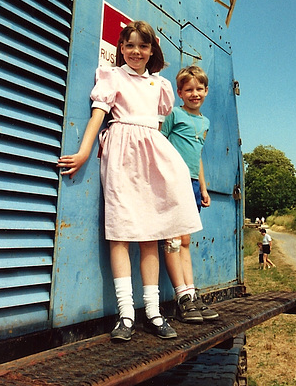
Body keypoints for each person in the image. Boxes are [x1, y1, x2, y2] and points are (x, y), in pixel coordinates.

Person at [57, 21, 202, 342]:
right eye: (130, 45)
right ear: (121, 48)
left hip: (153, 157)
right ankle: (125, 315)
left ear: (152, 51)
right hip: (121, 155)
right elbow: (99, 114)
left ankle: (152, 312)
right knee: (120, 233)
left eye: (143, 46)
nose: (136, 52)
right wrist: (83, 153)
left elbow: (161, 127)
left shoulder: (161, 86)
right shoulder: (112, 77)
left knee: (151, 236)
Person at [161, 65, 218, 322]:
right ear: (180, 93)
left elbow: (198, 156)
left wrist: (203, 188)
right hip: (173, 182)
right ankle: (181, 296)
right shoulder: (174, 115)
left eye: (199, 89)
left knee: (185, 241)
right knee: (172, 240)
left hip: (193, 184)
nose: (195, 93)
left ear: (206, 91)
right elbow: (158, 144)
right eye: (189, 90)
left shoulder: (204, 122)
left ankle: (191, 294)